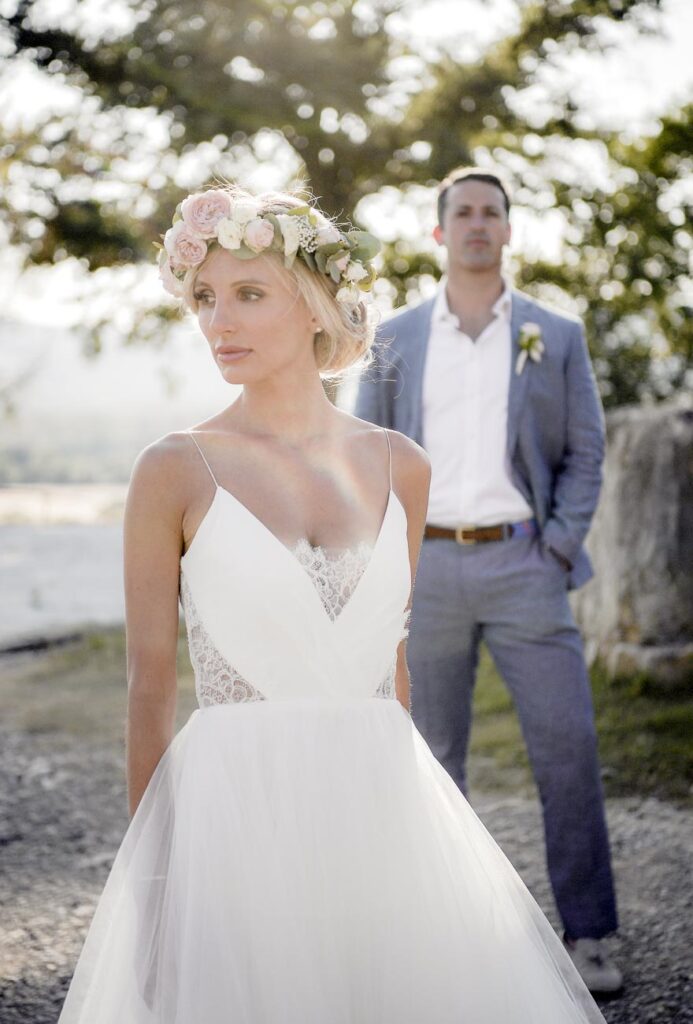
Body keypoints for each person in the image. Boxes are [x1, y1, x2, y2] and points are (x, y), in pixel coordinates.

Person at [58, 184, 609, 1023]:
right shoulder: (171, 469)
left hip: (379, 810)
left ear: (317, 308)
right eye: (204, 298)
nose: (218, 322)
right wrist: (156, 889)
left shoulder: (401, 466)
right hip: (234, 819)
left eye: (248, 294)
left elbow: (390, 673)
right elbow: (148, 690)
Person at [355, 166, 623, 995]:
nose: (476, 223)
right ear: (439, 232)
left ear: (507, 231)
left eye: (490, 213)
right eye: (461, 212)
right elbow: (363, 447)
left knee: (567, 749)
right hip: (422, 566)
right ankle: (440, 936)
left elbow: (584, 448)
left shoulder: (554, 334)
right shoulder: (395, 335)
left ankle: (590, 937)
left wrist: (555, 545)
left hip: (522, 565)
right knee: (428, 759)